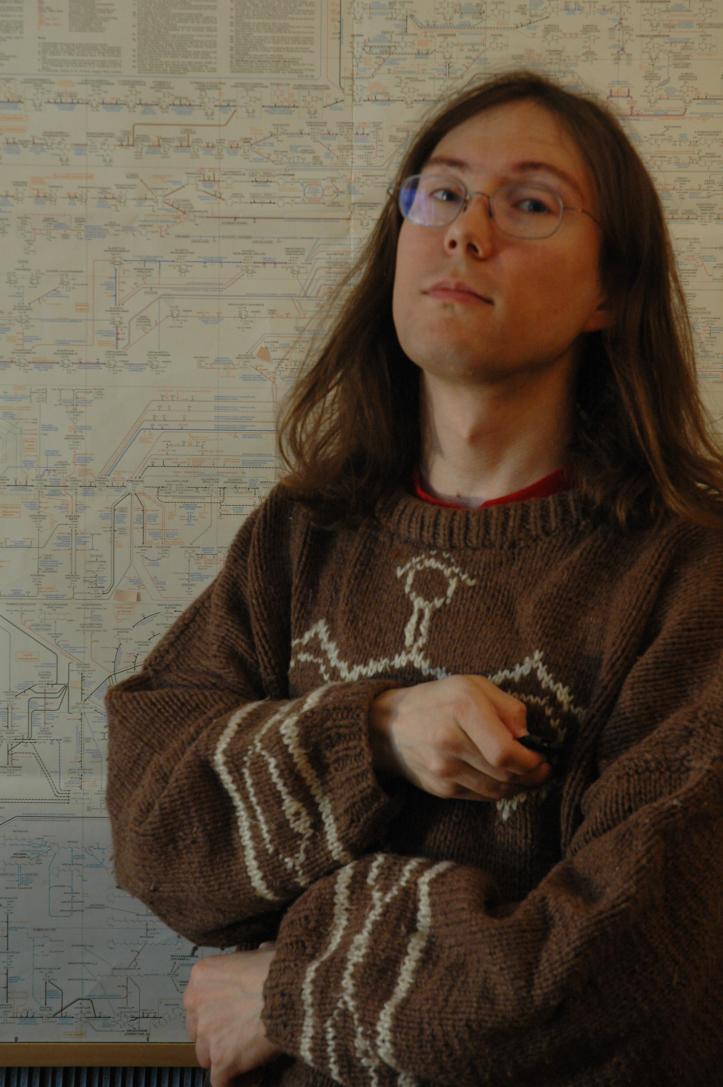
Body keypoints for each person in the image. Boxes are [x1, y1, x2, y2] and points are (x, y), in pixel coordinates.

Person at [105, 69, 723, 1087]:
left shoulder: (688, 576)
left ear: (610, 290)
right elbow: (153, 829)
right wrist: (374, 735)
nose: (465, 231)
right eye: (441, 192)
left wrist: (290, 985)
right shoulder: (300, 534)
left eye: (529, 204)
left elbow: (628, 973)